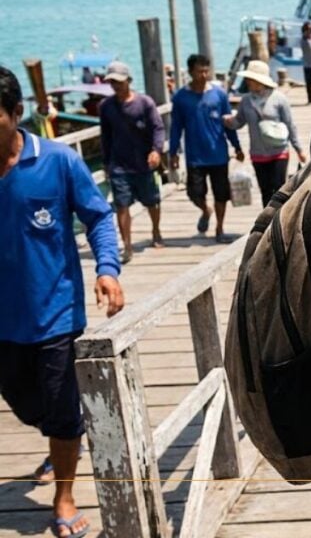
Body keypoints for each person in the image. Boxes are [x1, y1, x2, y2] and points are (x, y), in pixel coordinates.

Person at [0, 65, 124, 538]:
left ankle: (64, 495)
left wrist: (107, 269)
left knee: (62, 410)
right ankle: (60, 437)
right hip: (4, 322)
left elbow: (99, 217)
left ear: (16, 113)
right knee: (25, 405)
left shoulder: (58, 161)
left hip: (56, 313)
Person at [168, 54, 243, 243]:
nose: (203, 75)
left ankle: (220, 228)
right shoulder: (181, 98)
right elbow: (176, 127)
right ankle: (205, 210)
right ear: (190, 72)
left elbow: (228, 123)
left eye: (205, 71)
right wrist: (173, 152)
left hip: (219, 154)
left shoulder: (219, 95)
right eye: (199, 71)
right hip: (195, 156)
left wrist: (237, 146)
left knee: (221, 194)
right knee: (194, 193)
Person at [98, 61, 165, 264]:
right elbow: (105, 136)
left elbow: (158, 128)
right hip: (119, 164)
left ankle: (156, 230)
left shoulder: (145, 103)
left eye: (119, 81)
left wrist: (156, 150)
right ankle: (127, 245)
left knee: (152, 201)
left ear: (128, 80)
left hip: (143, 163)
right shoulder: (106, 106)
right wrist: (106, 162)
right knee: (122, 205)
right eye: (112, 82)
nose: (116, 86)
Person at [223, 60, 305, 207]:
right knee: (265, 191)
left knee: (279, 190)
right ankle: (267, 220)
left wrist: (299, 149)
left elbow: (290, 124)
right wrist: (225, 120)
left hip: (279, 152)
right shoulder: (246, 100)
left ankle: (280, 218)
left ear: (259, 80)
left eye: (250, 78)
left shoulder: (279, 98)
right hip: (258, 154)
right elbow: (239, 122)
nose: (247, 81)